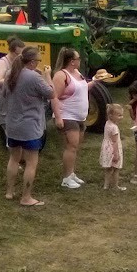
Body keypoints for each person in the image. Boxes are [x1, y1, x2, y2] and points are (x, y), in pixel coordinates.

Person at [4, 47, 54, 207]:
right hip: (30, 127)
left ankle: (9, 192)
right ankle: (26, 197)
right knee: (31, 162)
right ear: (32, 62)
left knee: (13, 158)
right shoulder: (34, 77)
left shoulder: (10, 73)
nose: (39, 63)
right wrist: (47, 75)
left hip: (12, 125)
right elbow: (51, 93)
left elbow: (4, 94)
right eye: (38, 60)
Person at [52, 47, 97, 189]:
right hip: (67, 115)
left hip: (80, 116)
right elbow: (54, 97)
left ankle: (71, 173)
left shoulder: (77, 73)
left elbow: (83, 88)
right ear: (72, 61)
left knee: (75, 147)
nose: (80, 61)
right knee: (70, 146)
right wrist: (58, 117)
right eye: (78, 58)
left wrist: (96, 81)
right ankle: (66, 178)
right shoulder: (61, 75)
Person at [0, 36, 25, 144]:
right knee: (7, 122)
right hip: (4, 97)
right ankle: (11, 144)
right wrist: (15, 81)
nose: (21, 57)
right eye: (19, 54)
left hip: (15, 96)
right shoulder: (3, 62)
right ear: (12, 52)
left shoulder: (19, 62)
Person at [100, 104, 126, 191]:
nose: (121, 117)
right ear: (111, 115)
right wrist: (116, 154)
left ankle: (106, 185)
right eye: (119, 115)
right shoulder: (114, 127)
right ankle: (115, 186)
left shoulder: (107, 123)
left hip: (106, 148)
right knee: (116, 168)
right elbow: (114, 142)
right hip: (113, 149)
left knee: (108, 169)